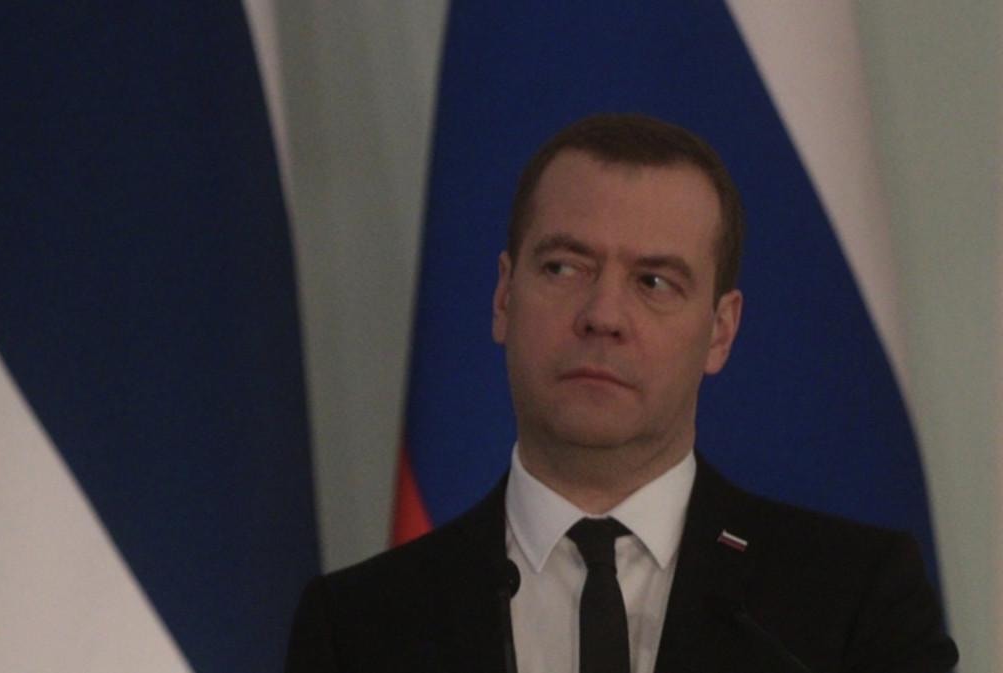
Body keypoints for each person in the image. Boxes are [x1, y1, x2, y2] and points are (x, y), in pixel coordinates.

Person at [285, 114, 958, 673]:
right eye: (564, 267)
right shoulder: (359, 627)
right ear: (504, 296)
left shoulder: (853, 604)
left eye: (654, 282)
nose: (603, 315)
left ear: (720, 331)